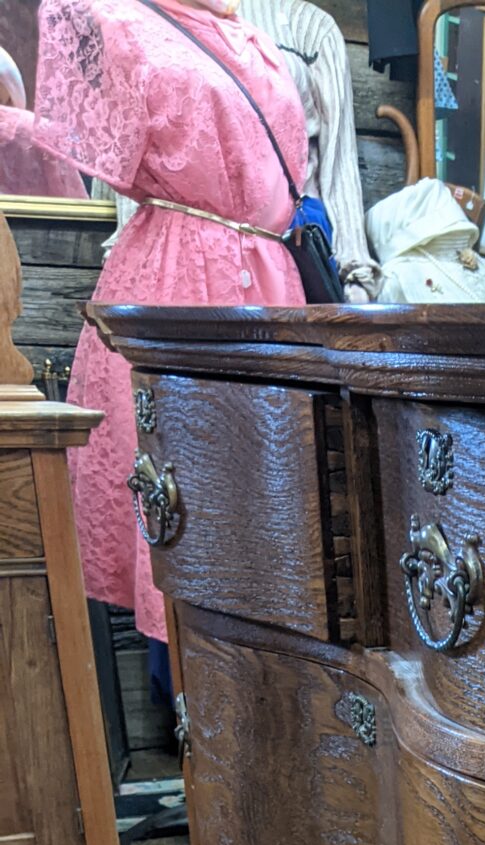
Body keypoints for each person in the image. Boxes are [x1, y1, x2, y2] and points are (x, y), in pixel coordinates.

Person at [0, 0, 308, 647]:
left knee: (267, 510)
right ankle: (188, 695)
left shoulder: (250, 35)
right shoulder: (117, 19)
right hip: (181, 284)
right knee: (180, 499)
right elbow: (84, 141)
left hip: (272, 282)